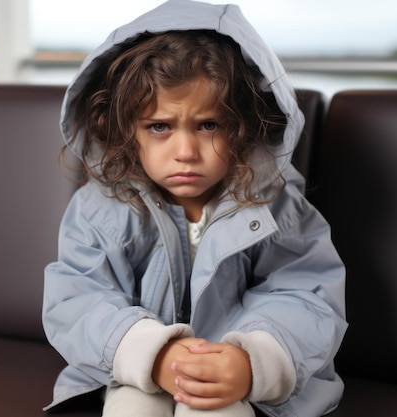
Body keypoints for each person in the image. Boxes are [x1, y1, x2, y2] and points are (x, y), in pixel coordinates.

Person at [42, 1, 347, 416]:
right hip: (130, 370)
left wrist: (251, 361)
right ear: (126, 132)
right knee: (132, 407)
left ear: (244, 127)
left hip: (242, 384)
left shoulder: (278, 207)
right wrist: (153, 353)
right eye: (159, 127)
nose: (185, 152)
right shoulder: (100, 208)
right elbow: (78, 299)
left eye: (209, 125)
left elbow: (307, 295)